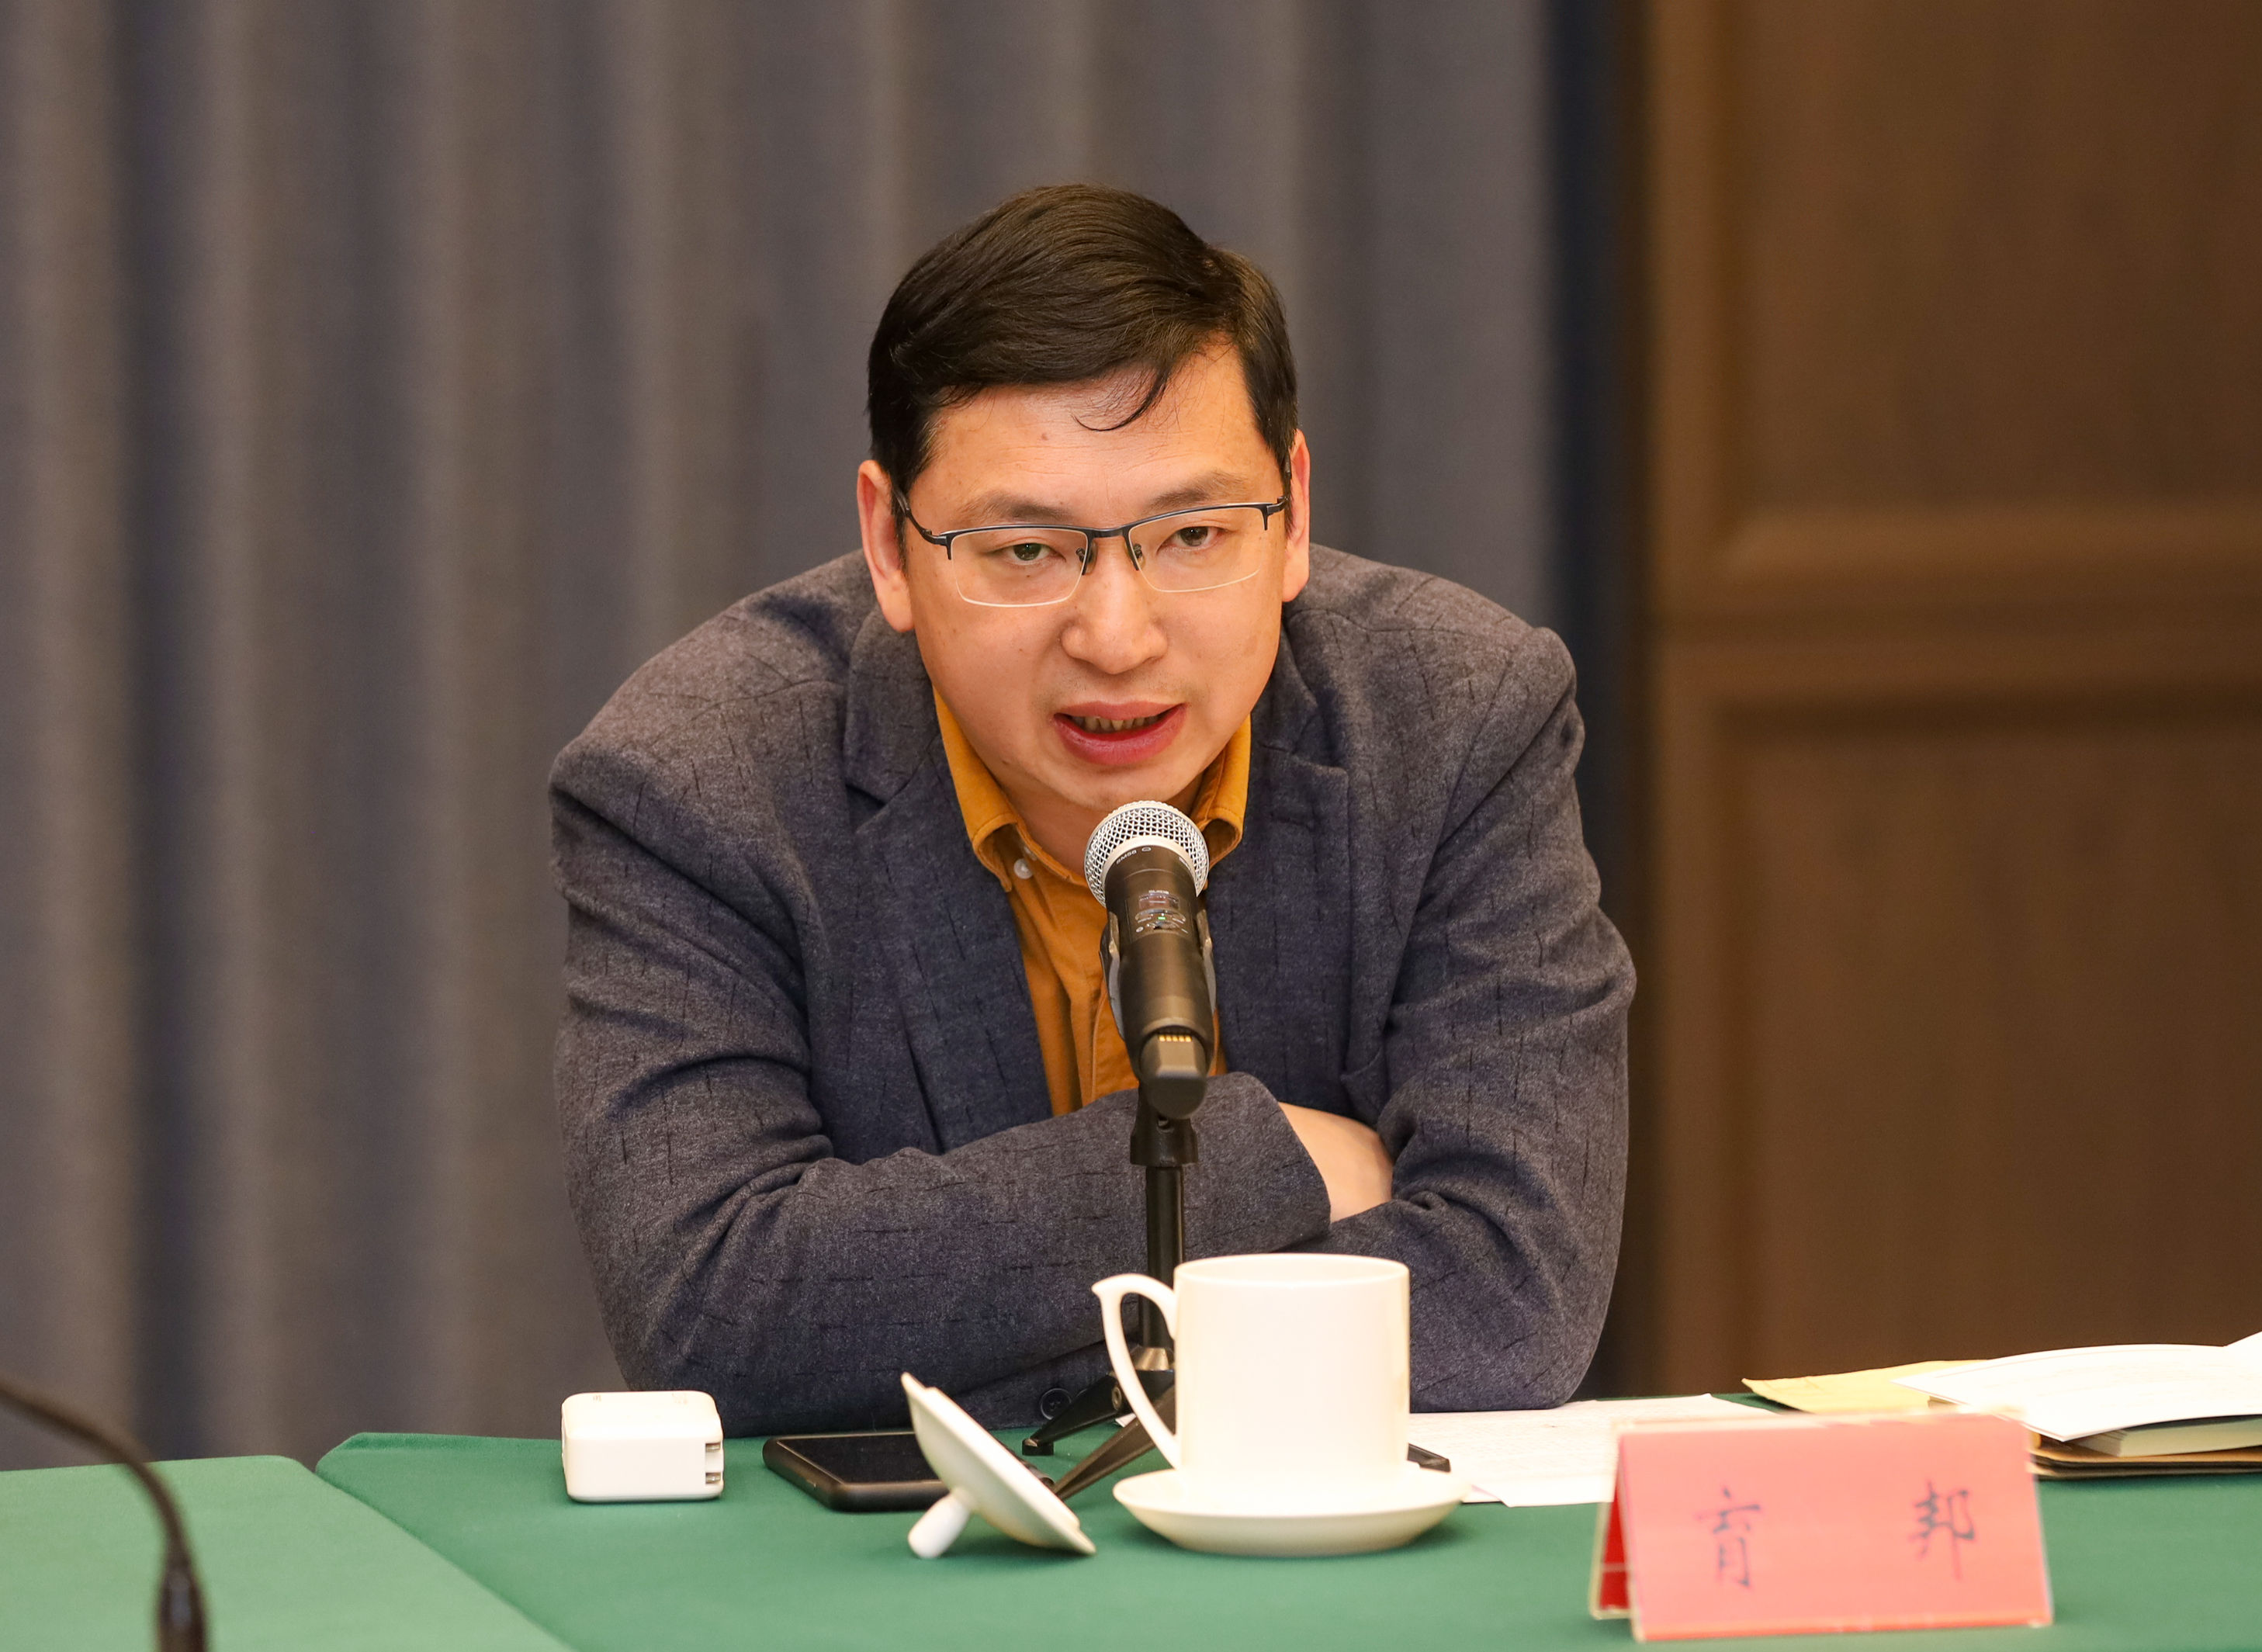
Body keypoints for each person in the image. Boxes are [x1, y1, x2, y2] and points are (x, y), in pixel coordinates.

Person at [550, 184, 1630, 1436]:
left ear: (1292, 513)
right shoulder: (699, 779)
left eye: (1193, 534)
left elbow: (1513, 1301)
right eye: (1026, 551)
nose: (1117, 637)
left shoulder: (1455, 718)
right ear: (891, 546)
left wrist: (942, 1332)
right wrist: (1260, 1157)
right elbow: (716, 1317)